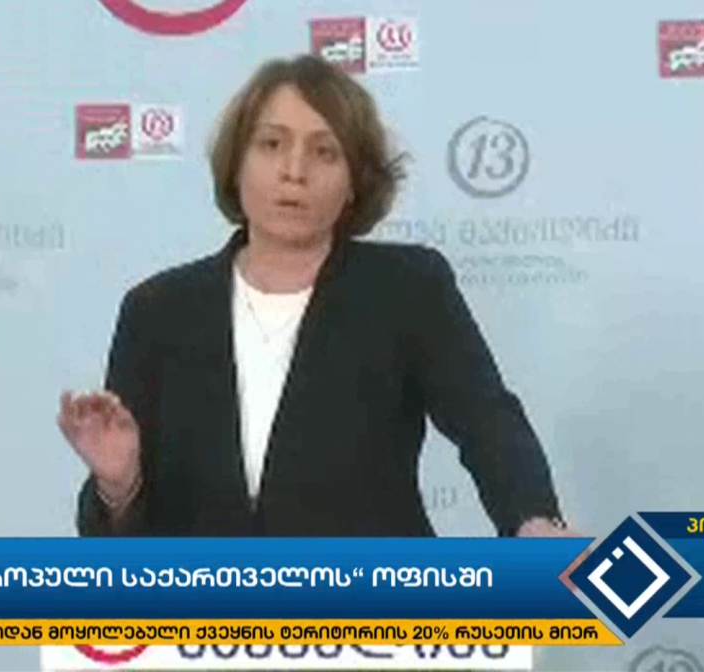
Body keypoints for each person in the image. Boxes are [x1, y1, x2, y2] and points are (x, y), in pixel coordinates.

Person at [58, 54, 576, 539]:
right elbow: (117, 544)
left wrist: (530, 519)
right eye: (271, 145)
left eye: (324, 152)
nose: (294, 171)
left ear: (354, 182)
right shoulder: (157, 311)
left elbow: (487, 421)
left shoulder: (408, 288)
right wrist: (120, 485)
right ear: (237, 164)